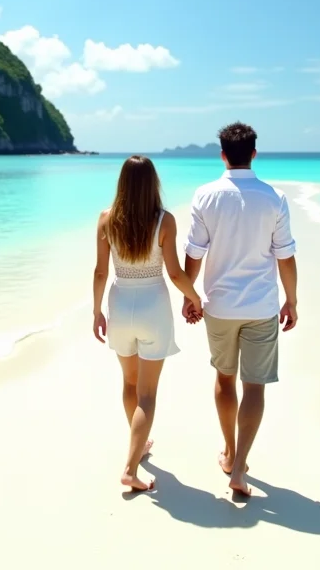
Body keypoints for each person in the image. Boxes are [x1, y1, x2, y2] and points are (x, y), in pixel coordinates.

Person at [182, 122, 298, 497]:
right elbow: (285, 256)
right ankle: (240, 467)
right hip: (261, 307)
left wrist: (190, 294)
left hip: (219, 306)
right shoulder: (274, 197)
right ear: (253, 153)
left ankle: (230, 453)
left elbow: (194, 253)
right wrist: (292, 300)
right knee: (255, 386)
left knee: (224, 379)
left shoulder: (205, 196)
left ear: (222, 155)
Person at [93, 155, 203, 492]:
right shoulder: (164, 221)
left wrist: (96, 311)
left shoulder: (106, 220)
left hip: (119, 302)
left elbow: (100, 271)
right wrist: (195, 298)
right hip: (153, 306)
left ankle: (137, 446)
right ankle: (130, 467)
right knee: (148, 394)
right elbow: (174, 273)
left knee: (129, 384)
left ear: (122, 183)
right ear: (153, 183)